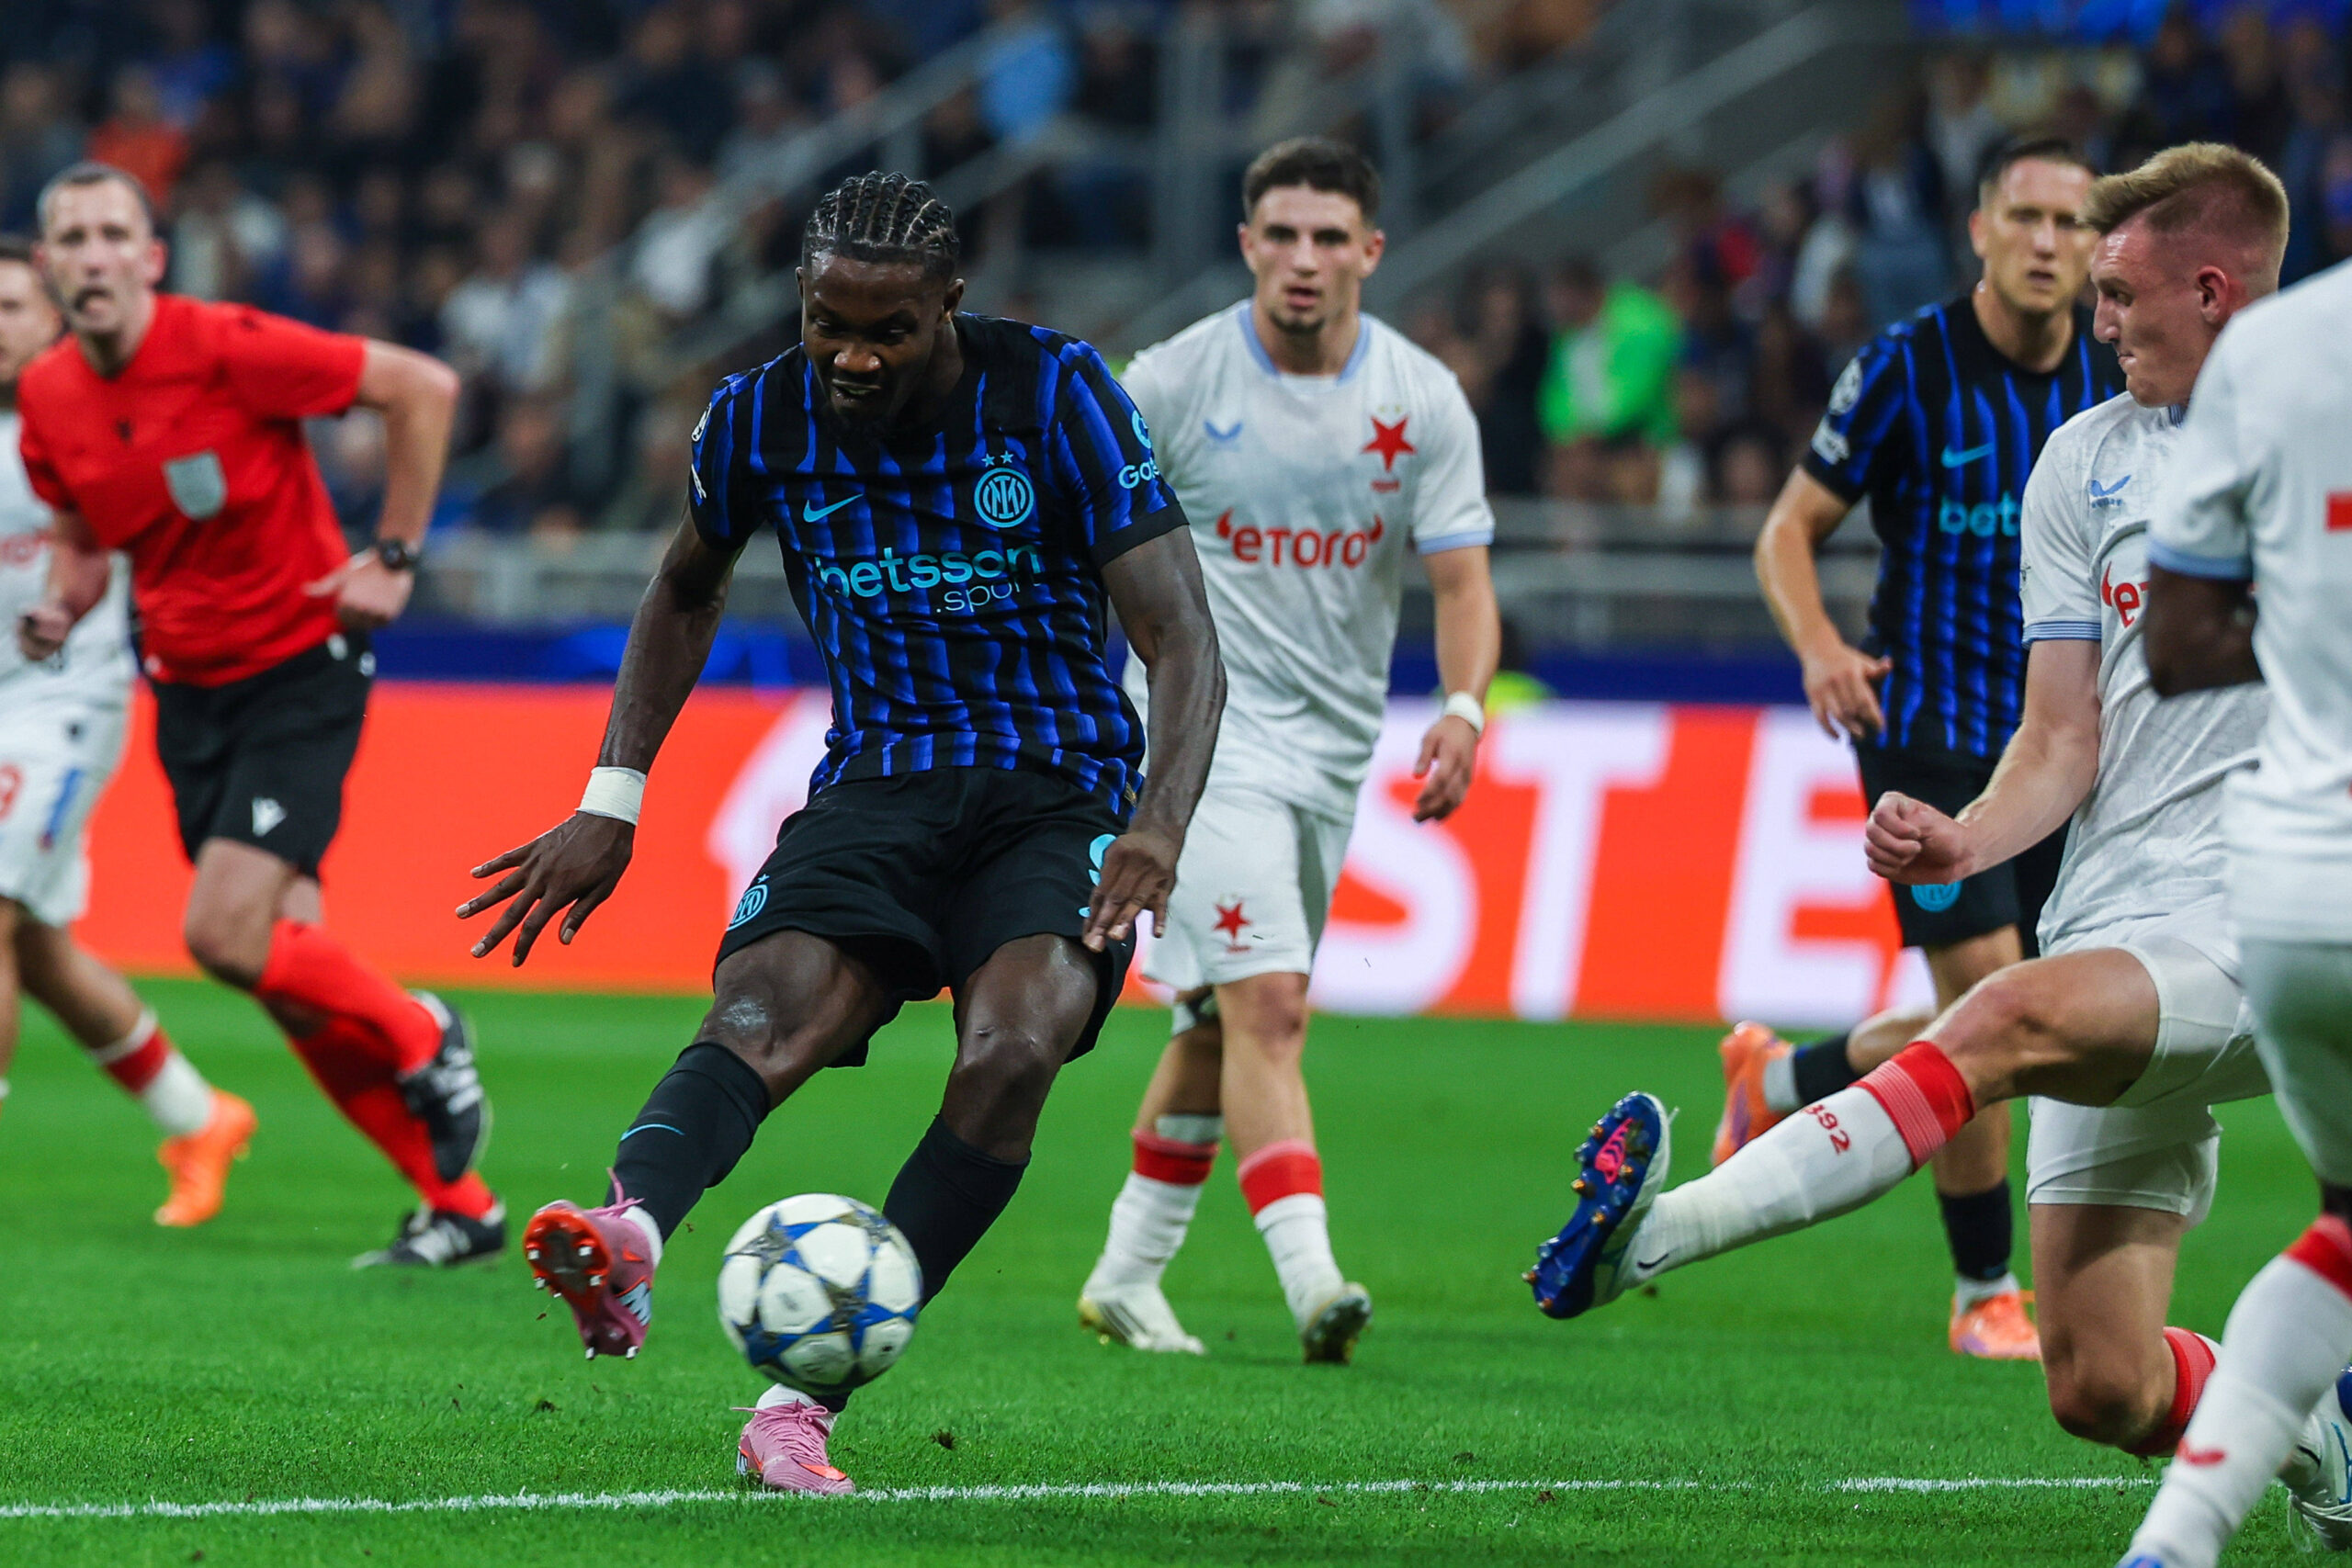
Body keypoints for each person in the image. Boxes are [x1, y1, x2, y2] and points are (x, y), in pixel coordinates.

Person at [1528, 145, 2352, 1542]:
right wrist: (1961, 832)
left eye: (2120, 294)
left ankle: (1651, 1237)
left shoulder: (2318, 424)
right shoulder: (2082, 464)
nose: (2096, 323)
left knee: (1999, 1015)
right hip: (2115, 906)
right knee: (2101, 1379)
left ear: (2211, 292)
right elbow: (2062, 739)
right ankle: (2321, 1440)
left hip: (2265, 897)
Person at [459, 173, 1223, 1495]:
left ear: (951, 306)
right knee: (762, 1009)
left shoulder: (1053, 394)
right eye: (829, 326)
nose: (855, 357)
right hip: (880, 781)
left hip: (1057, 786)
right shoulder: (758, 415)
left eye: (890, 330)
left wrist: (1160, 820)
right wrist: (613, 796)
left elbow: (1181, 632)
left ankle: (796, 1406)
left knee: (1015, 1042)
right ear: (801, 305)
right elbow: (682, 586)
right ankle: (632, 1230)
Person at [13, 163, 496, 1267]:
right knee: (290, 976)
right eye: (69, 238)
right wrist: (59, 603)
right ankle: (458, 1204)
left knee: (223, 937)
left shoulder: (225, 343)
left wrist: (395, 553)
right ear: (49, 267)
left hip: (299, 664)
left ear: (149, 257)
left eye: (110, 234)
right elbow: (86, 535)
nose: (90, 255)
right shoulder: (49, 398)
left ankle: (427, 1031)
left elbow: (423, 387)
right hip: (186, 689)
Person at [1075, 138, 1499, 1363]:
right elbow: (1079, 529)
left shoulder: (1419, 401)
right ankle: (1314, 1278)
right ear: (1248, 242)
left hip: (1329, 751)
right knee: (1271, 1003)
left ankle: (1126, 1272)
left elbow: (1464, 583)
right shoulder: (1170, 381)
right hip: (1197, 743)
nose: (1304, 260)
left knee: (1215, 1023)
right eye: (1282, 234)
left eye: (1330, 238)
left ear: (1370, 250)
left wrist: (1464, 709)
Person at [1734, 137, 2123, 1359]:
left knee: (2045, 1014)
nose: (2049, 242)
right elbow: (1788, 530)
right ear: (1980, 230)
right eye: (2028, 217)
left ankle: (1783, 1080)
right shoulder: (1907, 367)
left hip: (2068, 745)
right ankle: (1984, 1293)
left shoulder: (2117, 382)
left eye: (2072, 221)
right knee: (2002, 995)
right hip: (1931, 738)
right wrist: (1817, 648)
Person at [2118, 261, 2352, 1567]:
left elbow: (2174, 639)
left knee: (2345, 1224)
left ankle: (2178, 1538)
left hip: (2295, 880)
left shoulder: (2272, 349)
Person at [0, 233, 252, 1224]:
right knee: (43, 950)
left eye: (14, 308)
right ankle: (199, 1117)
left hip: (65, 702)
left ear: (56, 318)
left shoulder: (92, 419)